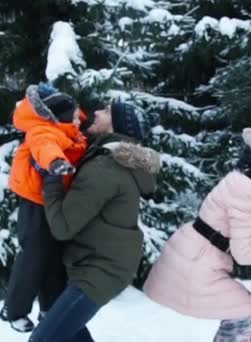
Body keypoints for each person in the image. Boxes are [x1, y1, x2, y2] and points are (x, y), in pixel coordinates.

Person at [28, 101, 161, 342]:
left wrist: (51, 177)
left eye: (107, 111)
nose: (96, 113)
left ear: (116, 126)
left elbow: (63, 226)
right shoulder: (107, 161)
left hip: (99, 272)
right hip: (99, 265)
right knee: (66, 335)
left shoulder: (106, 168)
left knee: (44, 339)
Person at [143, 126, 251, 342]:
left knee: (244, 315)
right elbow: (245, 252)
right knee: (246, 315)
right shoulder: (247, 188)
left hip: (197, 256)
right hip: (196, 263)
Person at [0, 83, 88, 332]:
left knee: (53, 257)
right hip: (35, 202)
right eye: (73, 117)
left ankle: (50, 306)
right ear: (60, 117)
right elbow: (44, 148)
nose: (77, 120)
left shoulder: (70, 133)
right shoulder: (45, 131)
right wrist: (56, 163)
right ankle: (14, 309)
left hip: (52, 202)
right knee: (34, 254)